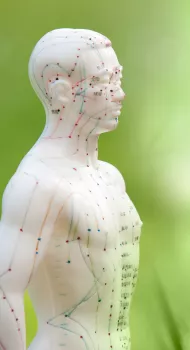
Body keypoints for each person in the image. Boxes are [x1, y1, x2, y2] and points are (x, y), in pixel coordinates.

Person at [0, 28, 142, 350]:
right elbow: (3, 287)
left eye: (117, 79)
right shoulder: (37, 184)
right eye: (104, 83)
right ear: (61, 91)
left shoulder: (109, 178)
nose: (119, 94)